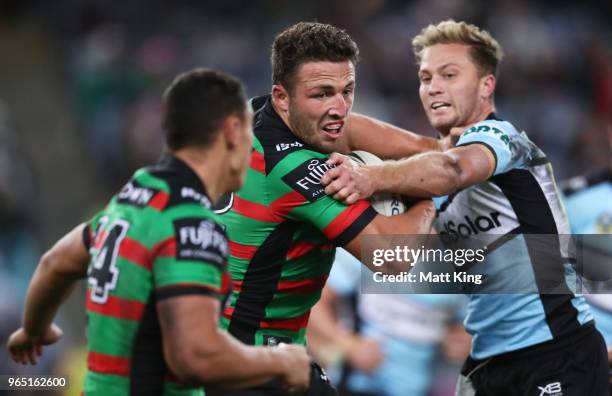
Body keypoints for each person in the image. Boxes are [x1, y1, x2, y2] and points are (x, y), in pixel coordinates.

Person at [322, 20, 608, 395]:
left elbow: (453, 168)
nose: (433, 86)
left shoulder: (503, 139)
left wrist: (370, 177)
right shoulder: (431, 166)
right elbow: (356, 131)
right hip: (487, 365)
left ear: (486, 85)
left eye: (450, 74)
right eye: (426, 77)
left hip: (554, 351)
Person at [6, 68, 312, 396]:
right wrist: (280, 362)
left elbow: (55, 263)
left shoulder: (131, 199)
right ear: (231, 133)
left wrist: (33, 331)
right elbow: (196, 358)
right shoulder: (192, 227)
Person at [208, 22, 439, 396]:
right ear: (282, 97)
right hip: (250, 363)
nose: (339, 108)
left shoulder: (253, 119)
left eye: (347, 91)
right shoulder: (300, 170)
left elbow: (421, 149)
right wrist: (423, 194)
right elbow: (392, 258)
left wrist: (430, 161)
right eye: (322, 94)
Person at [308, 248, 470, 396]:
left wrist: (467, 342)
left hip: (422, 388)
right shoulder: (371, 243)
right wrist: (348, 345)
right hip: (356, 384)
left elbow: (471, 327)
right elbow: (314, 301)